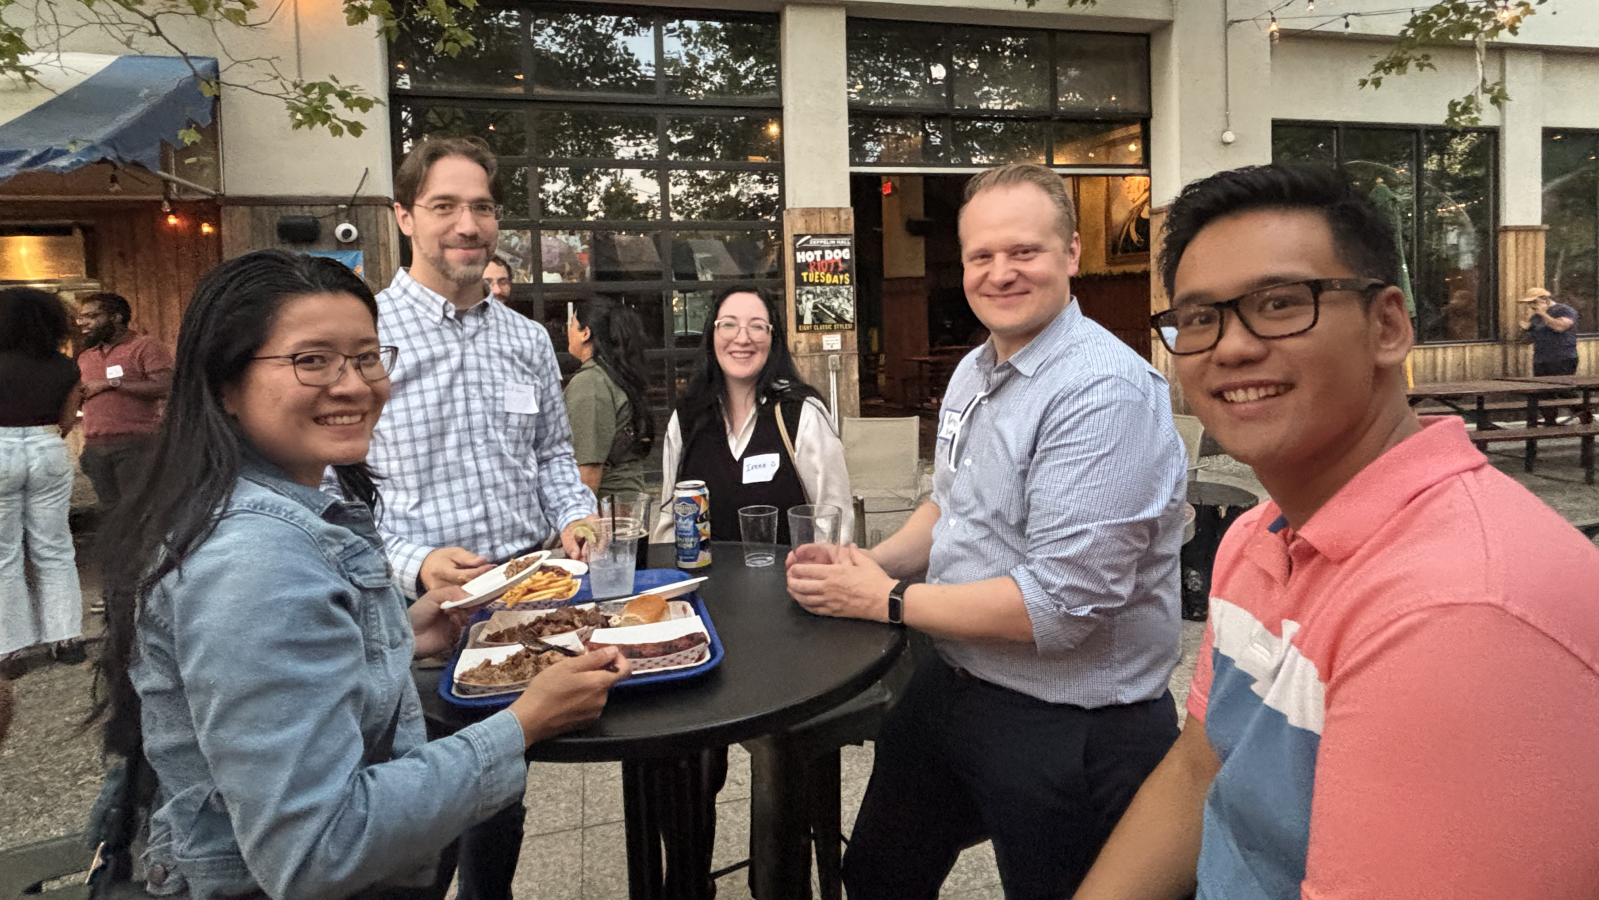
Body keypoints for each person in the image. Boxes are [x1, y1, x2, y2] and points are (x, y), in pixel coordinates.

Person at [1073, 165, 1599, 900]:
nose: (1230, 347)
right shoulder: (1257, 537)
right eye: (1198, 318)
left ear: (1387, 326)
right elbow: (1201, 767)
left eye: (1280, 303)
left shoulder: (1464, 614)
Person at [88, 250, 628, 900]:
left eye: (368, 357)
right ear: (225, 384)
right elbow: (318, 849)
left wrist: (398, 636)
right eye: (311, 360)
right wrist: (524, 723)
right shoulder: (255, 560)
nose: (352, 385)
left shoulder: (269, 506)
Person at [786, 163, 1188, 899]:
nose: (1000, 273)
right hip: (955, 683)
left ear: (1071, 253)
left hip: (1073, 724)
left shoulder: (1102, 390)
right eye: (981, 256)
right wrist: (867, 564)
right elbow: (950, 507)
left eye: (1023, 251)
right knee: (877, 875)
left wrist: (885, 600)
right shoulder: (975, 370)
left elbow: (1058, 606)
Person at [373, 135, 598, 900]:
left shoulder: (527, 340)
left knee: (500, 802)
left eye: (481, 207)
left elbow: (552, 456)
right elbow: (335, 498)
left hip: (522, 614)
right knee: (414, 837)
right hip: (417, 627)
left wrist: (575, 515)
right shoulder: (365, 337)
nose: (467, 224)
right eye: (444, 205)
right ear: (405, 216)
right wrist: (415, 562)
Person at [649, 285, 851, 546]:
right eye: (728, 325)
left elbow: (834, 525)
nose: (742, 338)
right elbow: (669, 523)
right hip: (703, 573)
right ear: (712, 335)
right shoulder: (687, 419)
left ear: (772, 338)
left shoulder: (802, 415)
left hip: (789, 573)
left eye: (756, 326)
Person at [0, 287, 86, 676]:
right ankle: (66, 639)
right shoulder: (66, 366)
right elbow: (68, 420)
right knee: (54, 547)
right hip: (47, 445)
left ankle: (11, 647)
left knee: (4, 554)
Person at [73, 291, 173, 522]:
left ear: (116, 317)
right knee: (110, 514)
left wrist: (112, 384)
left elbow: (165, 386)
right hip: (95, 446)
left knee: (142, 511)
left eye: (92, 316)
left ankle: (148, 547)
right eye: (81, 317)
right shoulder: (86, 356)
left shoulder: (145, 347)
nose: (83, 323)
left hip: (136, 444)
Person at [564, 297, 653, 499]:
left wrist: (580, 516)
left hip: (605, 510)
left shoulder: (590, 382)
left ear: (585, 333)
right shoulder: (610, 375)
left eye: (572, 325)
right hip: (623, 506)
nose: (568, 331)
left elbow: (587, 470)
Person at [1518, 286, 1579, 375]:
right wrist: (1525, 329)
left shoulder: (1563, 310)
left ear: (1545, 299)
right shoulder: (1535, 317)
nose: (1531, 306)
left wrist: (1543, 314)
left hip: (1562, 358)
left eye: (1534, 302)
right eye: (1529, 303)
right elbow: (1527, 341)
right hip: (1540, 360)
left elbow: (1560, 327)